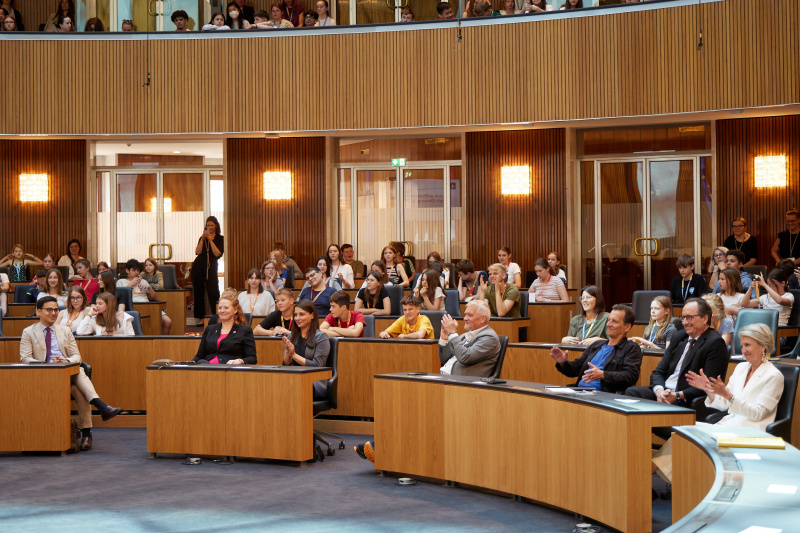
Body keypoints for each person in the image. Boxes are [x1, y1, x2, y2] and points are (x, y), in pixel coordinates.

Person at [21, 296, 123, 450]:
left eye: (56, 310)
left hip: (65, 373)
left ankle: (91, 426)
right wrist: (48, 364)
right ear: (39, 311)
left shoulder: (65, 330)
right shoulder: (28, 332)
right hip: (43, 375)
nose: (54, 313)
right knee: (79, 383)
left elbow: (77, 357)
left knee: (77, 369)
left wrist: (65, 362)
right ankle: (95, 417)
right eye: (49, 309)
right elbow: (25, 358)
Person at [625, 298, 730, 407]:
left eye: (689, 318)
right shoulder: (679, 336)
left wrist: (678, 395)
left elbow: (709, 384)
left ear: (705, 318)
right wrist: (659, 391)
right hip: (665, 392)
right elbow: (658, 372)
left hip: (685, 397)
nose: (684, 322)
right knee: (632, 392)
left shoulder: (715, 342)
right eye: (683, 317)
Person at [687, 323, 784, 430]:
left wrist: (729, 396)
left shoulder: (773, 376)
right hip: (729, 424)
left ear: (763, 347)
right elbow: (724, 404)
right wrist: (707, 388)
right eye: (742, 346)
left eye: (747, 345)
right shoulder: (740, 368)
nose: (743, 351)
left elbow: (758, 414)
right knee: (685, 428)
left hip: (751, 430)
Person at [551, 305, 642, 392]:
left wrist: (603, 375)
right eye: (608, 320)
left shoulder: (631, 348)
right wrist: (563, 363)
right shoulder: (596, 345)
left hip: (603, 395)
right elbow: (575, 369)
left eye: (614, 321)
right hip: (580, 392)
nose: (609, 324)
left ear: (627, 327)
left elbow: (631, 376)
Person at [282, 299, 330, 399]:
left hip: (314, 381)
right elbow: (286, 364)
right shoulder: (292, 336)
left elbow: (317, 365)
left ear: (312, 315)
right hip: (295, 378)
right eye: (295, 315)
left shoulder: (321, 337)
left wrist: (294, 355)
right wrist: (288, 353)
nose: (297, 318)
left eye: (301, 314)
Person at [439, 300, 500, 376]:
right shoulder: (466, 335)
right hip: (445, 378)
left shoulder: (489, 337)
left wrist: (452, 333)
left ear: (482, 319)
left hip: (464, 383)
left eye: (470, 315)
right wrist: (444, 339)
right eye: (465, 315)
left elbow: (465, 357)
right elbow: (444, 359)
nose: (465, 318)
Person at [193, 292, 256, 364]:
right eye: (220, 308)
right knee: (201, 362)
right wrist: (189, 364)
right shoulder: (209, 329)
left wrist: (240, 361)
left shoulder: (245, 331)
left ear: (235, 310)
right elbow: (199, 356)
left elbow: (252, 358)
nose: (222, 311)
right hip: (207, 368)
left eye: (226, 308)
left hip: (229, 370)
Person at [192, 216, 224, 327]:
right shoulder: (202, 238)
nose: (209, 227)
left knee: (213, 292)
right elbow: (198, 251)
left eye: (211, 225)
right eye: (208, 225)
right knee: (198, 293)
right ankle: (200, 319)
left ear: (216, 226)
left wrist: (210, 240)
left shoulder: (220, 238)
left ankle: (218, 317)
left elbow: (217, 253)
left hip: (211, 267)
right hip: (198, 266)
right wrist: (203, 238)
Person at [743, 269, 793, 335]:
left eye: (774, 285)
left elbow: (779, 300)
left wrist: (765, 285)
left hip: (779, 333)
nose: (771, 287)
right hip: (764, 331)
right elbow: (745, 304)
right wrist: (750, 289)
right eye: (769, 285)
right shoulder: (766, 297)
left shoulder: (789, 296)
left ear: (783, 283)